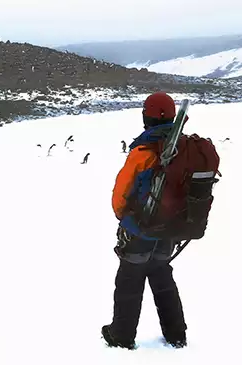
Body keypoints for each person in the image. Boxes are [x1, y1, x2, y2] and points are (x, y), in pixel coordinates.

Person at [103, 92, 193, 349]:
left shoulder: (143, 152)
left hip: (141, 230)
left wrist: (126, 219)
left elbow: (120, 196)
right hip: (170, 229)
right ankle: (176, 334)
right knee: (162, 277)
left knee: (129, 282)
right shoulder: (184, 148)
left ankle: (121, 335)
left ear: (147, 117)